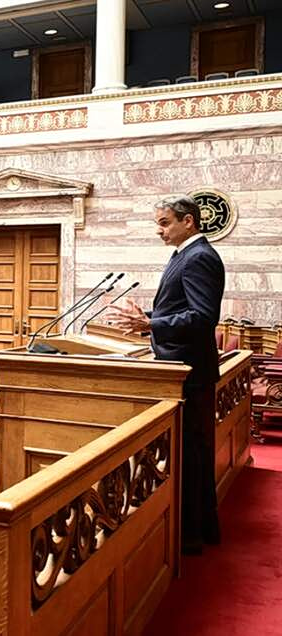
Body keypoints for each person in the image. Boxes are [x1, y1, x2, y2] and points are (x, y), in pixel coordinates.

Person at [107, 195, 225, 554]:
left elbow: (203, 317)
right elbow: (181, 309)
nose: (159, 230)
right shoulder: (184, 255)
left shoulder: (199, 256)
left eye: (164, 223)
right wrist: (148, 318)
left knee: (191, 455)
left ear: (188, 221)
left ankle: (191, 537)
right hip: (180, 367)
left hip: (188, 372)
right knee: (190, 453)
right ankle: (200, 530)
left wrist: (151, 324)